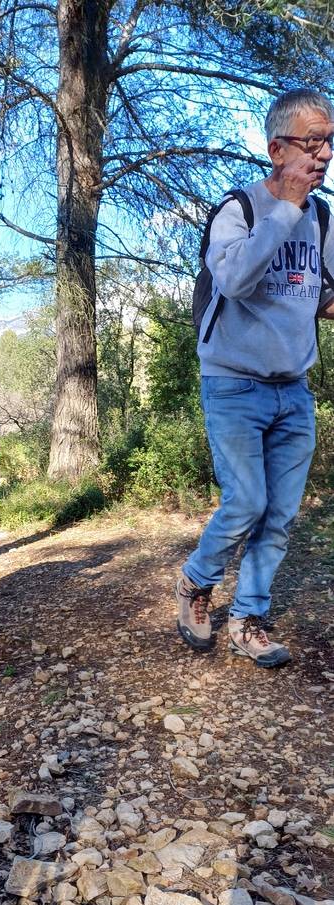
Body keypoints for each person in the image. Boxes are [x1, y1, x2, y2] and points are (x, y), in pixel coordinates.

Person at [176, 88, 334, 668]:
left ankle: (249, 616)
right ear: (276, 149)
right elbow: (237, 280)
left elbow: (323, 292)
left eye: (330, 143)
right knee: (244, 502)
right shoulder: (237, 210)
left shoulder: (322, 215)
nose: (322, 156)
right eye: (312, 141)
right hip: (233, 384)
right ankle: (195, 581)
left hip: (293, 389)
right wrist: (287, 206)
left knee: (280, 513)